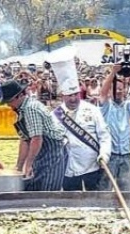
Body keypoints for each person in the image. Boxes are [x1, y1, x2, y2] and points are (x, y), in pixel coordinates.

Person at [47, 46, 111, 191]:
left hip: (93, 167)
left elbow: (104, 136)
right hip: (68, 169)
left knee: (95, 203)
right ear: (62, 96)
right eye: (69, 95)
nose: (73, 98)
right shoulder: (54, 116)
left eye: (75, 94)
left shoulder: (93, 110)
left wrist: (104, 154)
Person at [0, 79, 67, 191]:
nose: (8, 104)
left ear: (19, 96)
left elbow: (36, 139)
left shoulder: (30, 108)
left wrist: (29, 164)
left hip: (51, 152)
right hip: (39, 153)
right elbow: (25, 139)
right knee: (34, 186)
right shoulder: (21, 110)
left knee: (48, 190)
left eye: (10, 101)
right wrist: (19, 166)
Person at [99, 63, 130, 192]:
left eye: (121, 89)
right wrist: (113, 73)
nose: (118, 91)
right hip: (110, 154)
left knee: (125, 189)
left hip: (126, 154)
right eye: (115, 89)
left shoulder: (128, 106)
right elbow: (102, 93)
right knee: (105, 189)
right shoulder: (106, 106)